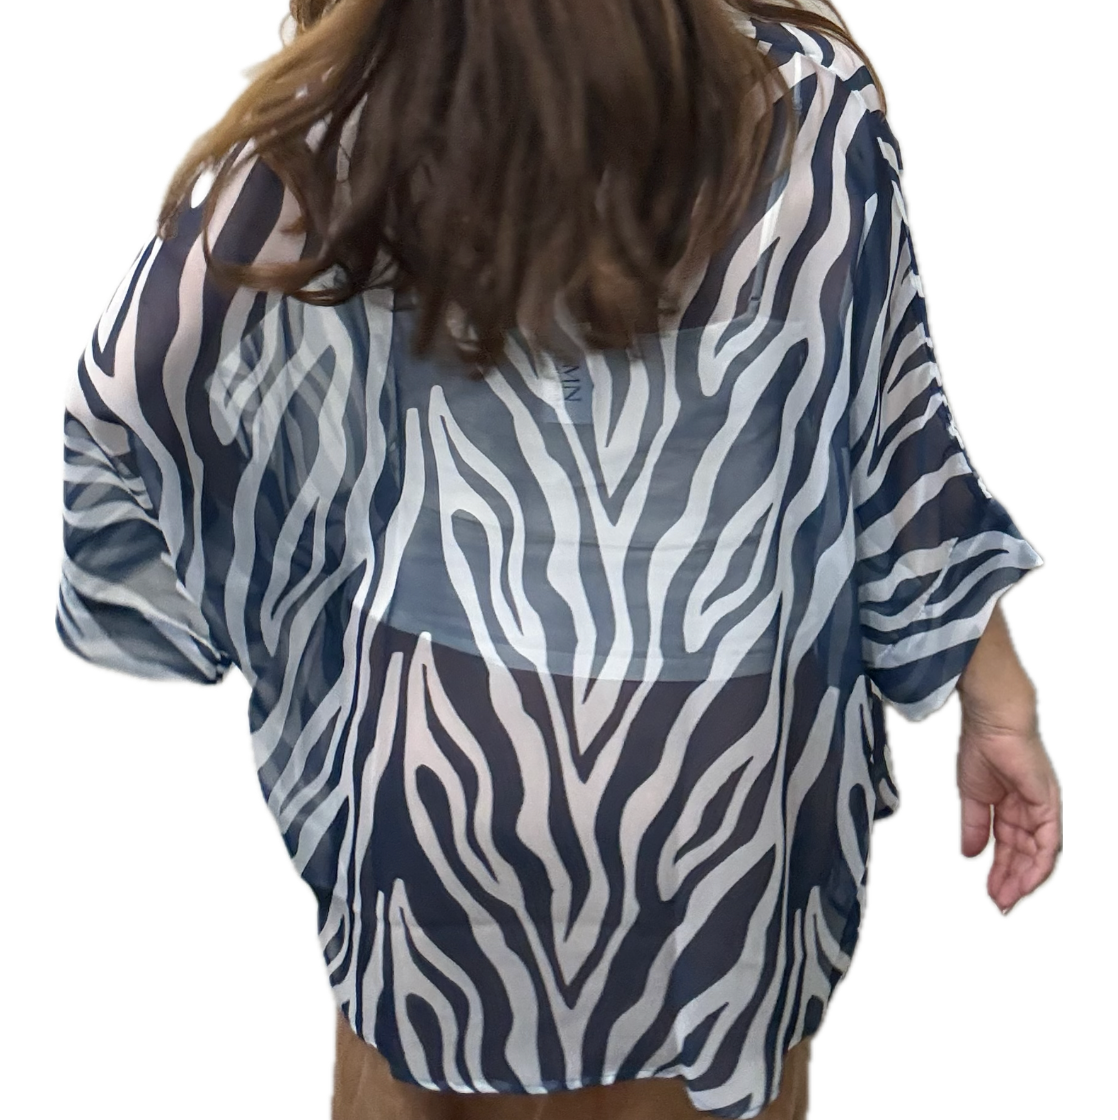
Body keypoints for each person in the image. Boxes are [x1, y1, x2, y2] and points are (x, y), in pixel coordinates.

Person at [54, 1, 1062, 1117]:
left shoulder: (360, 114)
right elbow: (888, 435)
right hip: (723, 792)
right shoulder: (807, 102)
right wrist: (995, 695)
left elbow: (140, 382)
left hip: (445, 768)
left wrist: (279, 605)